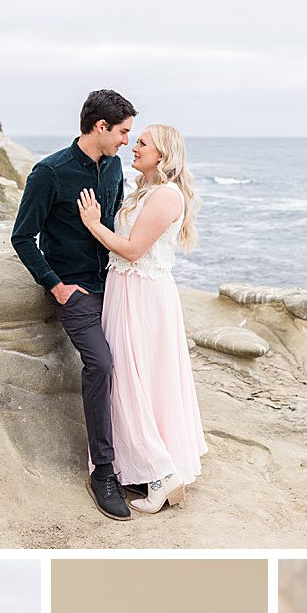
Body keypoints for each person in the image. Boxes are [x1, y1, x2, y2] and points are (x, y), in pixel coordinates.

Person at [11, 89, 138, 521]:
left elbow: (116, 222)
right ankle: (103, 471)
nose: (126, 140)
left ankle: (136, 462)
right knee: (101, 364)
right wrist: (56, 286)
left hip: (116, 285)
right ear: (100, 127)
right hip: (76, 290)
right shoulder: (50, 172)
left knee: (134, 364)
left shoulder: (117, 166)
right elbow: (21, 237)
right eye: (122, 132)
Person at [76, 124, 207, 513]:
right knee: (137, 380)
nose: (134, 147)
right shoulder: (146, 190)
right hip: (127, 289)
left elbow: (133, 250)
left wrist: (94, 225)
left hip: (142, 295)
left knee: (131, 381)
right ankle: (150, 467)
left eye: (143, 143)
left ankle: (161, 473)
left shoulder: (167, 196)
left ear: (162, 155)